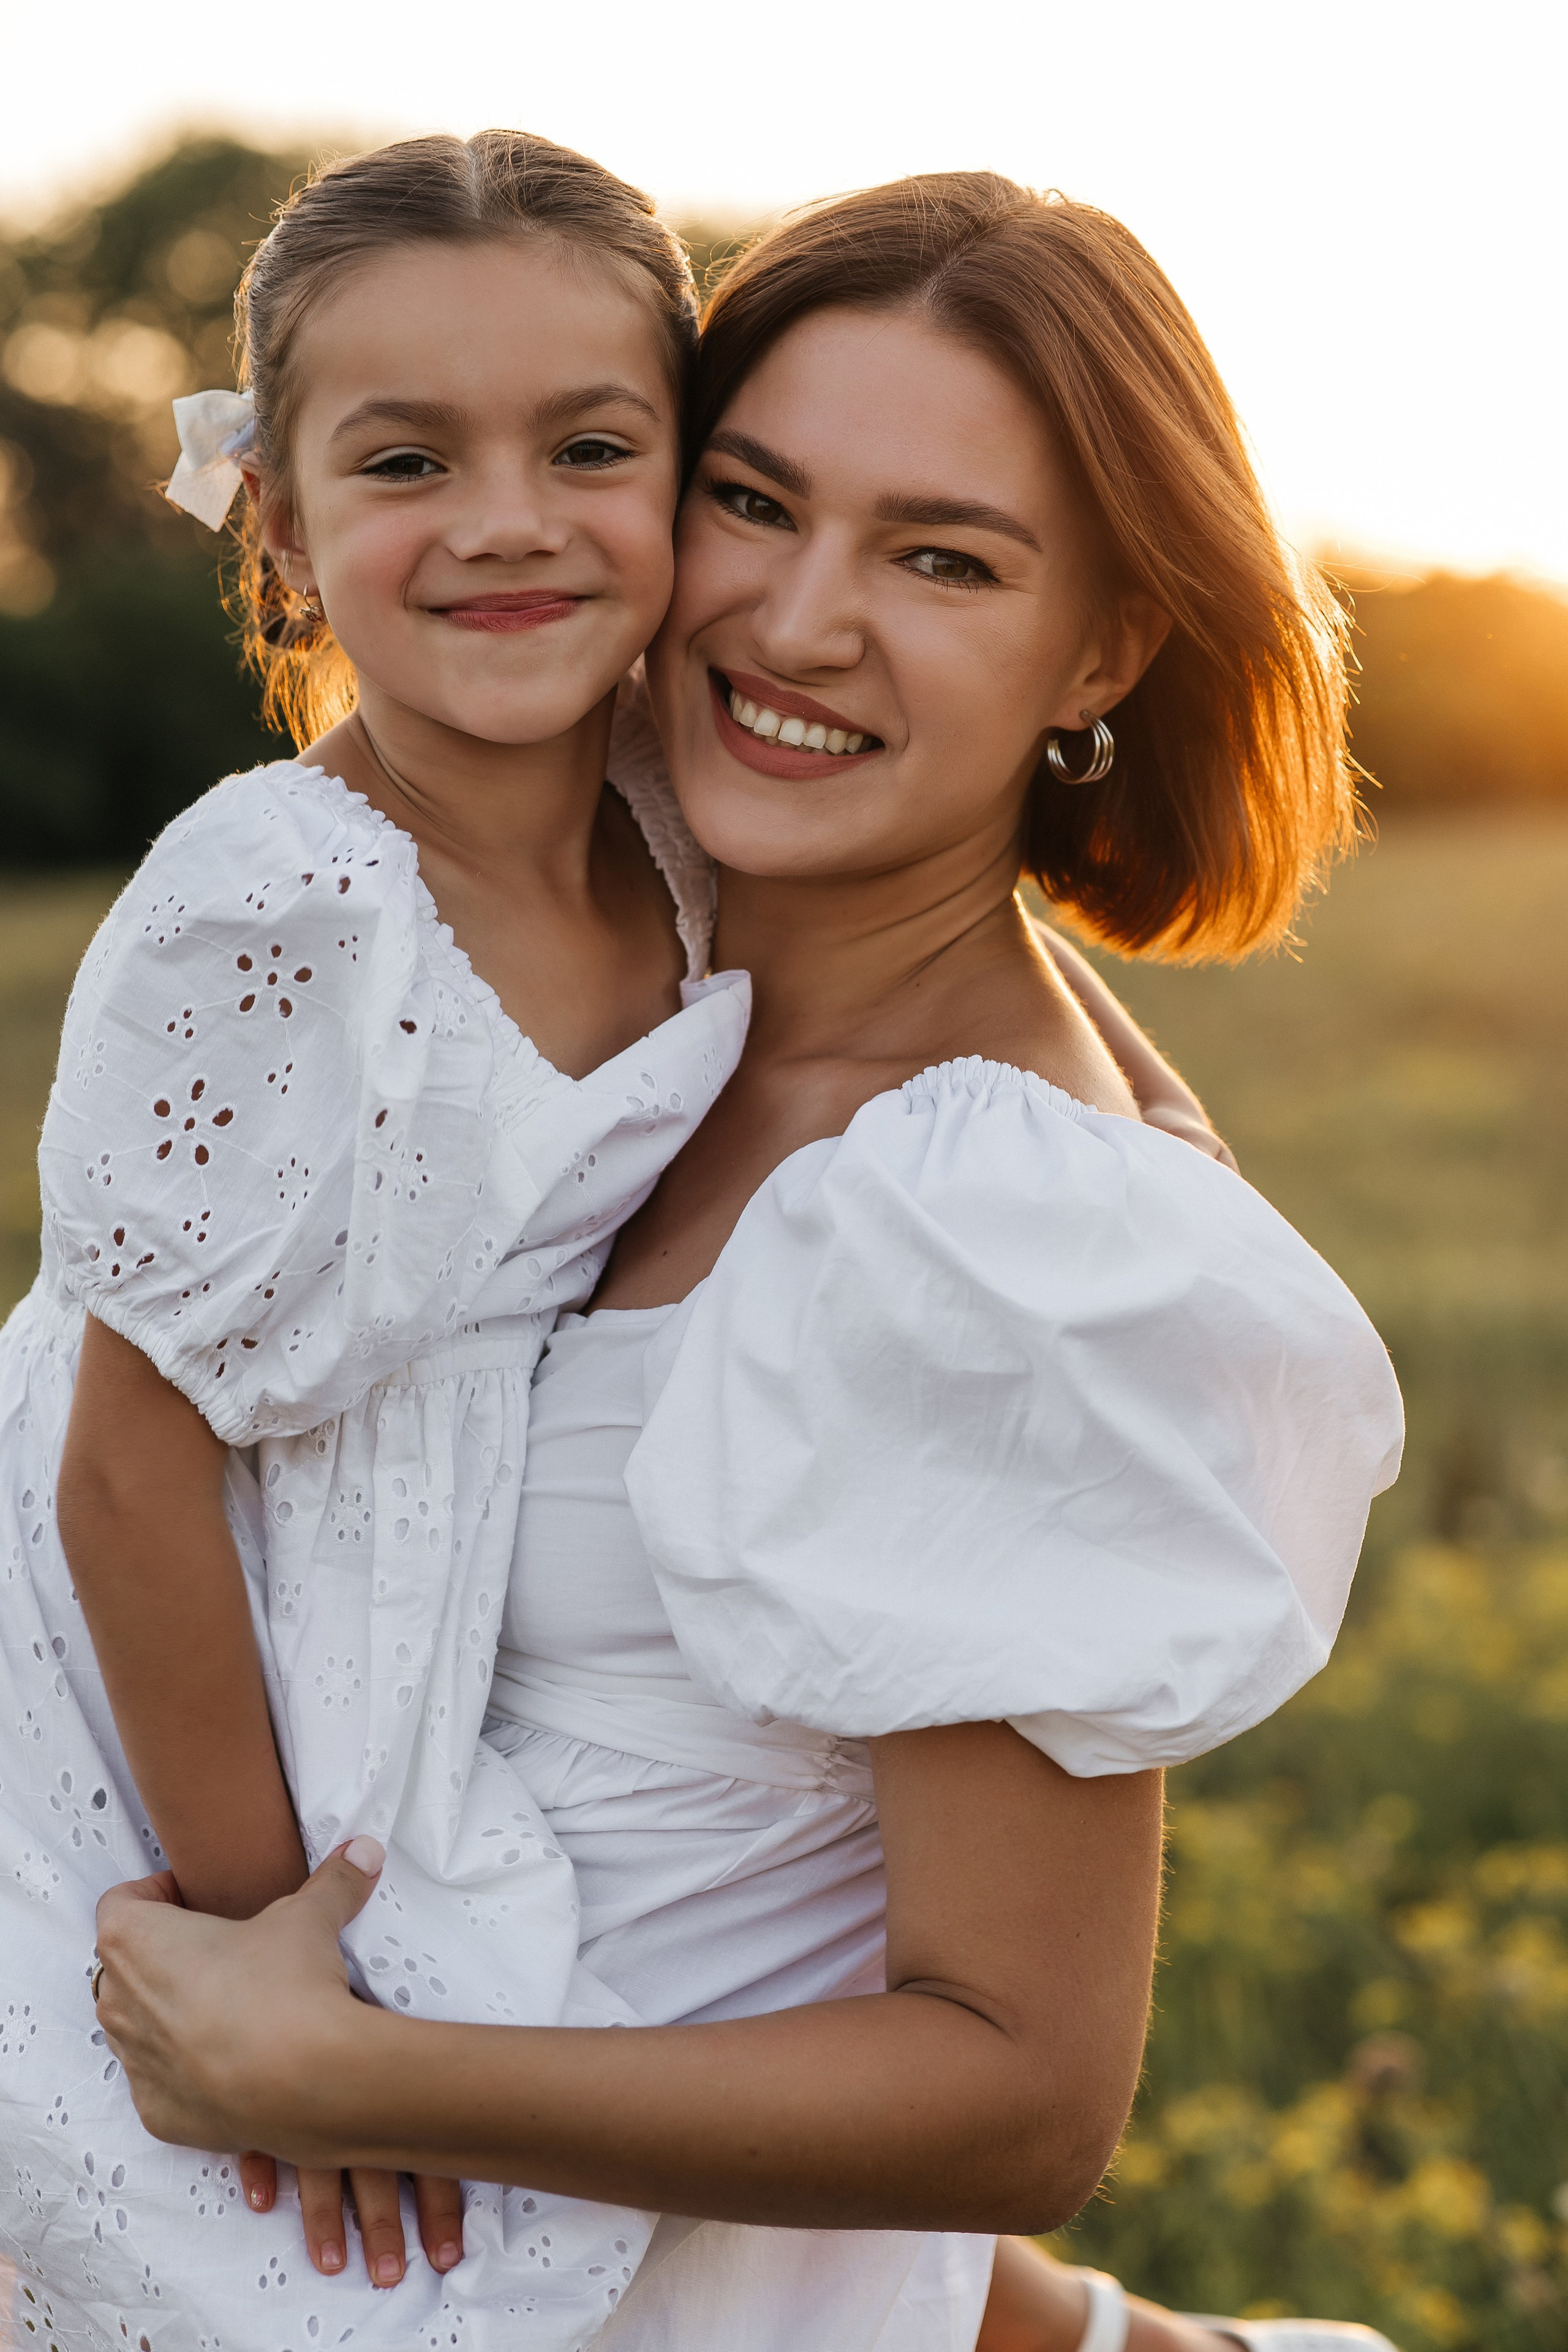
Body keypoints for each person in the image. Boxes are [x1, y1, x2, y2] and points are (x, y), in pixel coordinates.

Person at [89, 167, 1403, 2352]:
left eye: (945, 560)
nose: (795, 625)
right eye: (753, 501)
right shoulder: (583, 889)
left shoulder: (996, 1229)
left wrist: (329, 2073)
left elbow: (1015, 2081)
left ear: (1102, 646)